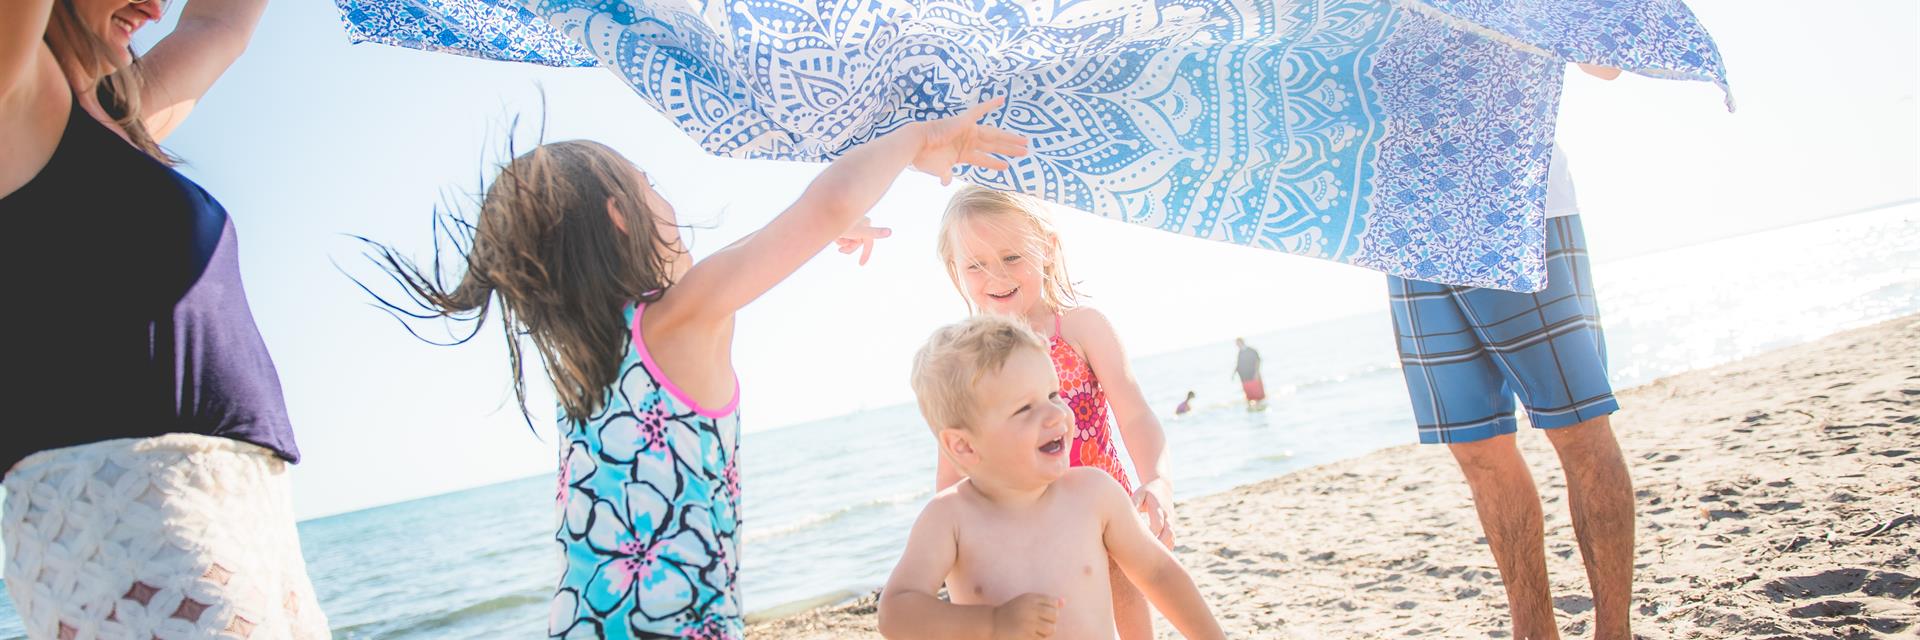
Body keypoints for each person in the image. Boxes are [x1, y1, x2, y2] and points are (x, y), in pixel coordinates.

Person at [363, 100, 1025, 637]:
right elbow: (818, 206)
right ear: (620, 216)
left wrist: (825, 229)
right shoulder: (677, 323)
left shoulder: (590, 366)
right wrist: (919, 138)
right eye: (649, 183)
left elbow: (770, 244)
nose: (663, 192)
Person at [1, 0, 330, 636]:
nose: (154, 5)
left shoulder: (122, 113)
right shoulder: (14, 95)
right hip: (129, 520)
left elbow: (220, 25)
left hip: (240, 517)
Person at [1384, 60, 1633, 640]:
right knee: (1476, 448)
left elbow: (1608, 60)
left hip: (1510, 209)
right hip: (1405, 229)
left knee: (1577, 428)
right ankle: (1534, 632)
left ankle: (1613, 633)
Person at [879, 314, 1224, 640]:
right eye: (1024, 408)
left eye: (1053, 394)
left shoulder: (1094, 494)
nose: (1055, 413)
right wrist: (992, 623)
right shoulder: (949, 519)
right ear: (965, 446)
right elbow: (896, 612)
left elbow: (1158, 573)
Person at [930, 185, 1175, 639]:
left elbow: (1135, 413)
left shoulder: (1083, 328)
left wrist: (1157, 480)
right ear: (954, 270)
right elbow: (953, 471)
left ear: (1046, 248)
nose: (996, 276)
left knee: (1128, 614)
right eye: (976, 265)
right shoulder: (964, 362)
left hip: (1106, 517)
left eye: (1011, 257)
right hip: (1021, 534)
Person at [1233, 338, 1265, 409]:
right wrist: (1234, 374)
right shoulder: (1240, 353)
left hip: (1253, 376)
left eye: (1238, 343)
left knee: (1259, 397)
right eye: (1236, 343)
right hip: (1244, 378)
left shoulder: (1251, 350)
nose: (1237, 345)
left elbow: (1258, 360)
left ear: (1242, 342)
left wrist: (1257, 373)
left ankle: (1260, 408)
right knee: (1250, 398)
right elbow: (1238, 364)